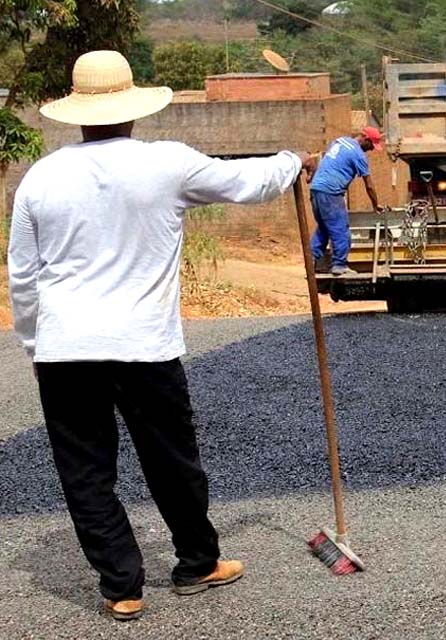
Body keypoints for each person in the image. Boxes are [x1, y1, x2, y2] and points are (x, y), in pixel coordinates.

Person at [6, 50, 318, 622]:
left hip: (66, 348)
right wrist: (292, 161)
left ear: (76, 112)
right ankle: (197, 562)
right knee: (172, 457)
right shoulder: (166, 163)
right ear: (134, 109)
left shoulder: (41, 177)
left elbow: (23, 276)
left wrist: (33, 343)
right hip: (143, 345)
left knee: (85, 470)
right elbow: (248, 181)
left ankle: (122, 586)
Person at [309, 127, 384, 275]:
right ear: (365, 138)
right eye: (371, 146)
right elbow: (369, 185)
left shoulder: (340, 141)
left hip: (316, 190)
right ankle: (339, 265)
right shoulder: (358, 155)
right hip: (331, 193)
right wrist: (376, 205)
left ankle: (311, 261)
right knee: (341, 230)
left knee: (324, 227)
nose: (371, 150)